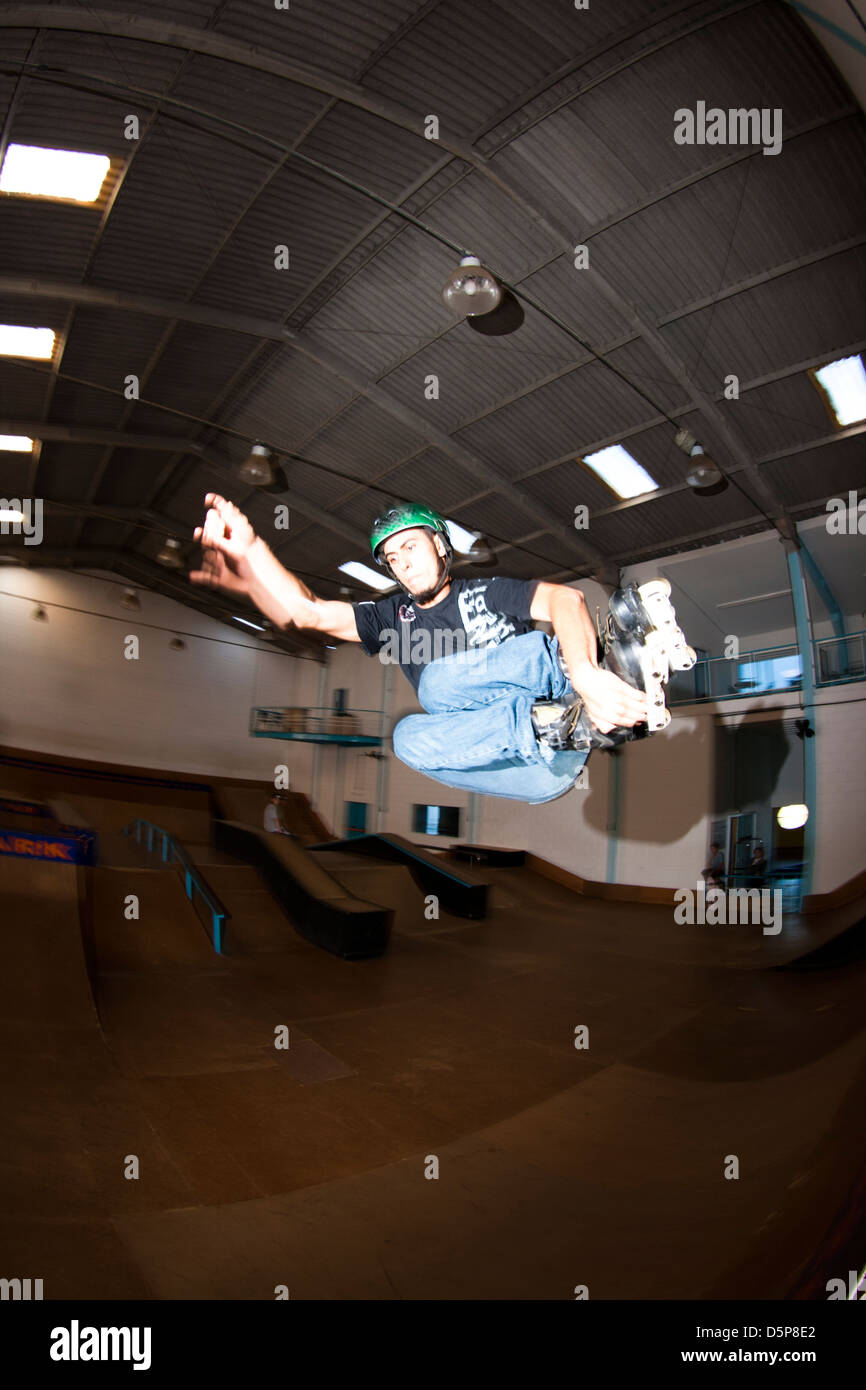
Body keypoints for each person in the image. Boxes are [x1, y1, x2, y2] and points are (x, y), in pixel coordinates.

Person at [192, 495, 694, 805]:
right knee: (407, 739)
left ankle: (614, 665)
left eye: (410, 547)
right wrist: (252, 552)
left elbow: (565, 599)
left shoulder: (486, 592)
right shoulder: (390, 617)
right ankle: (573, 724)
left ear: (439, 546)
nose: (403, 564)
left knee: (435, 684)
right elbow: (305, 613)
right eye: (392, 558)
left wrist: (584, 671)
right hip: (541, 766)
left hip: (561, 685)